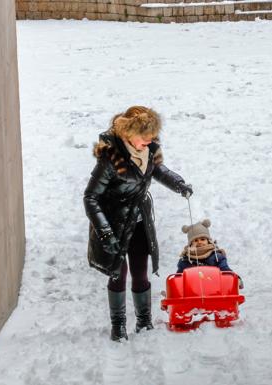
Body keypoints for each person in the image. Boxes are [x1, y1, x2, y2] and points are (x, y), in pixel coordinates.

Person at [84, 105, 193, 341]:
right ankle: (119, 325)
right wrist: (104, 233)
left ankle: (144, 322)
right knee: (118, 274)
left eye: (151, 137)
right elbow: (90, 197)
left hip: (140, 221)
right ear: (129, 133)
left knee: (140, 271)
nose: (148, 142)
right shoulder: (111, 158)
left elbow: (159, 170)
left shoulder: (149, 150)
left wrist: (179, 184)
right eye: (144, 138)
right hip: (114, 224)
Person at [176, 219, 244, 289]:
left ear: (208, 241)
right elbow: (179, 277)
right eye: (195, 240)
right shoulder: (185, 260)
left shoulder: (217, 256)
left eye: (202, 239)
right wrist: (174, 289)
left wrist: (236, 279)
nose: (199, 242)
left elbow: (225, 270)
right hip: (192, 292)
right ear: (190, 244)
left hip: (215, 291)